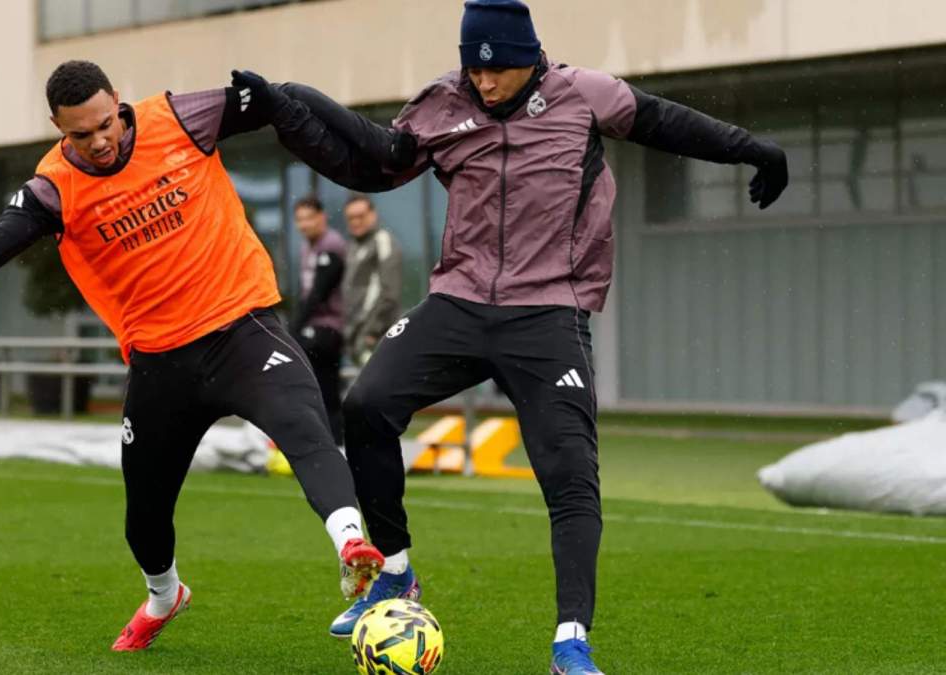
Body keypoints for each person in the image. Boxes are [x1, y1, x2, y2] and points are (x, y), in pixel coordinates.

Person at [233, 0, 789, 670]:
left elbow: (669, 124)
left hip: (550, 311)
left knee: (570, 473)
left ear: (532, 56)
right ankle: (397, 570)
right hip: (458, 302)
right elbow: (373, 162)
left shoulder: (585, 95)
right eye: (475, 68)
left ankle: (571, 641)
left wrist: (752, 148)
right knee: (365, 404)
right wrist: (289, 104)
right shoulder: (442, 102)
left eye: (500, 69)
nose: (486, 82)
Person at [0, 60, 382, 652]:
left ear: (118, 100)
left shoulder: (183, 117)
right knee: (144, 515)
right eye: (80, 134)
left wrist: (334, 134)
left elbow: (273, 103)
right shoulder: (50, 190)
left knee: (307, 430)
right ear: (57, 127)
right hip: (162, 363)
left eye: (106, 124)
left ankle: (351, 546)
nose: (100, 141)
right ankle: (165, 595)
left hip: (243, 329)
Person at [291, 195, 347, 445]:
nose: (304, 225)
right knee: (319, 389)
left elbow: (318, 293)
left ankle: (332, 443)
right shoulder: (307, 247)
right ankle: (325, 441)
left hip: (328, 327)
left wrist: (292, 329)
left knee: (325, 389)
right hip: (313, 326)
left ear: (322, 217)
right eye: (300, 220)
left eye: (309, 218)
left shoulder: (331, 244)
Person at [341, 194, 402, 366]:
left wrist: (372, 332)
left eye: (360, 216)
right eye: (350, 218)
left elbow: (390, 292)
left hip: (377, 335)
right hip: (356, 334)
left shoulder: (382, 240)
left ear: (373, 214)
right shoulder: (353, 245)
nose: (355, 222)